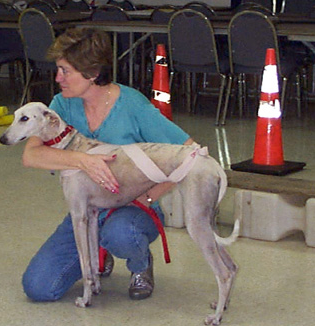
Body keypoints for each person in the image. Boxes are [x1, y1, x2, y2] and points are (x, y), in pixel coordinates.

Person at [21, 28, 193, 302]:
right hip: (88, 208)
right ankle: (99, 252)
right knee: (39, 287)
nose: (58, 78)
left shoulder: (133, 105)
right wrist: (83, 161)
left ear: (90, 73)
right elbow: (31, 156)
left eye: (65, 71)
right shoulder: (61, 106)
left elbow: (189, 153)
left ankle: (140, 264)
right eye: (58, 70)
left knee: (122, 233)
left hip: (132, 208)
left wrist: (149, 196)